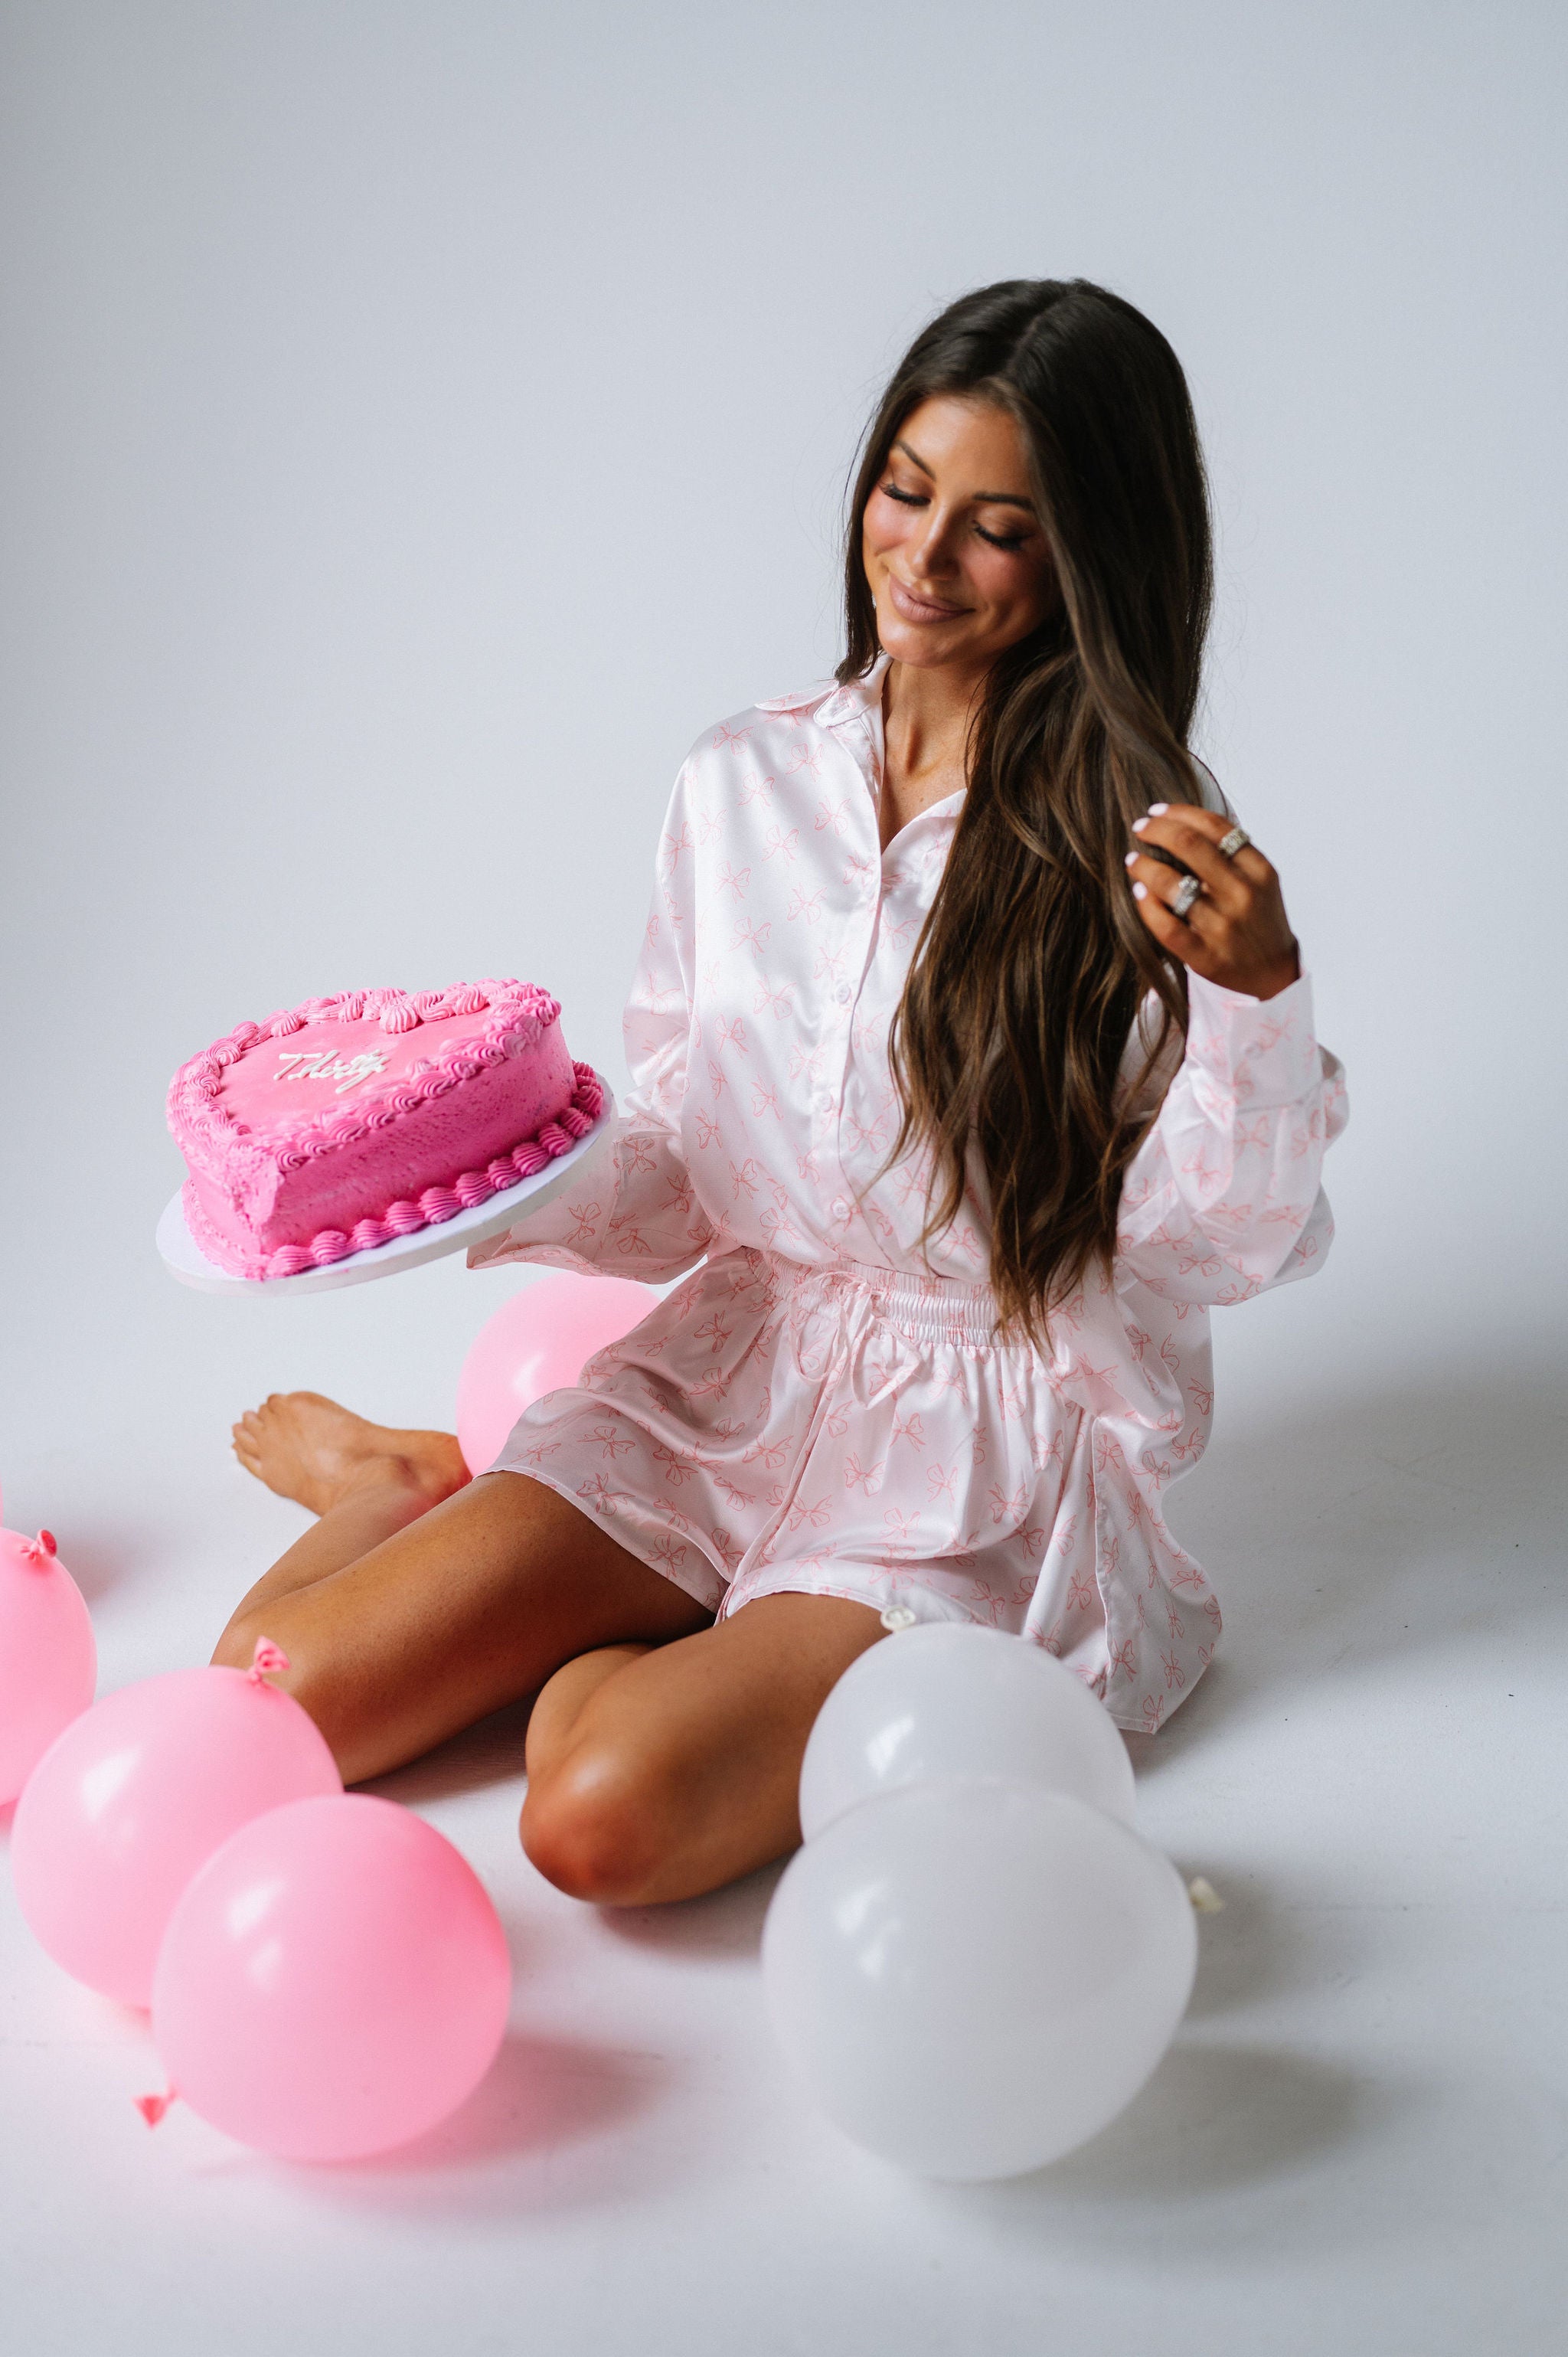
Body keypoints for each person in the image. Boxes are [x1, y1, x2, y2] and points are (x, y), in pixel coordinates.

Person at [217, 277, 1346, 1907]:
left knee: (591, 1820)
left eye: (999, 528)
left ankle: (694, 1636)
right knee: (270, 1693)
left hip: (966, 1460)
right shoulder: (740, 779)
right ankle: (410, 1488)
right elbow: (696, 1161)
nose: (923, 556)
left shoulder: (1145, 846)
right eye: (905, 491)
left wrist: (1255, 1000)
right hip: (730, 1375)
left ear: (1091, 556)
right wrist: (488, 1164)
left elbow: (1216, 1244)